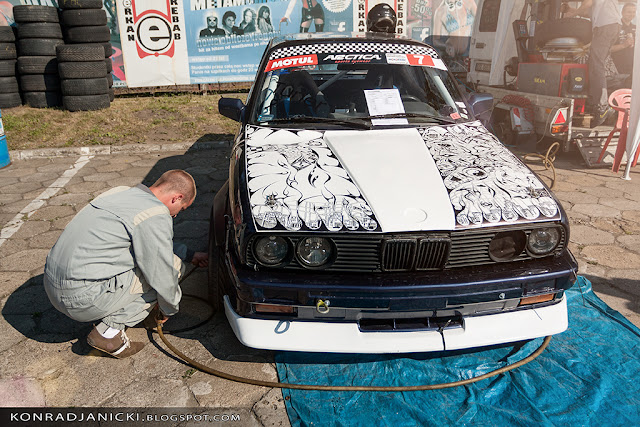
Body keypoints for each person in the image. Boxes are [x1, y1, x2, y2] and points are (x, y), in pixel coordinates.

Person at [44, 170, 208, 359]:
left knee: (157, 263)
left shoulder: (119, 192)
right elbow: (162, 270)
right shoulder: (155, 213)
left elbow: (149, 242)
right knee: (172, 269)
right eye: (182, 208)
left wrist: (190, 254)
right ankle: (108, 334)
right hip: (80, 300)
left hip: (52, 286)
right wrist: (169, 308)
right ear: (176, 198)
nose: (176, 215)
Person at [564, 0, 622, 127]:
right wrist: (574, 11)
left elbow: (587, 4)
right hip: (613, 26)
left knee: (597, 65)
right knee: (597, 64)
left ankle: (602, 107)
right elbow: (588, 11)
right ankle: (599, 101)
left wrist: (571, 15)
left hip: (605, 27)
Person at [611, 3, 636, 76]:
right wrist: (624, 45)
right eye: (629, 12)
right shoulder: (614, 27)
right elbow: (607, 49)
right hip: (617, 68)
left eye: (633, 12)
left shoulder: (636, 28)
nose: (631, 14)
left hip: (633, 67)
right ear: (622, 12)